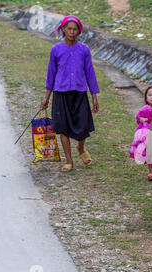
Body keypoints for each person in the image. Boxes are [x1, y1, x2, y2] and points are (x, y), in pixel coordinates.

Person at [40, 15, 100, 172]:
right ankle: (69, 161)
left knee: (83, 126)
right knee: (62, 127)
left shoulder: (84, 50)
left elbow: (90, 72)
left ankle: (81, 148)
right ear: (63, 30)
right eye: (69, 29)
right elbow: (51, 74)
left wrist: (94, 95)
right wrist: (46, 97)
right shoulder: (56, 49)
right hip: (61, 93)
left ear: (79, 31)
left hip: (79, 92)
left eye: (75, 29)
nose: (72, 32)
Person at [129, 86, 152, 181]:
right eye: (150, 95)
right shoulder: (144, 108)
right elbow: (138, 118)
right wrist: (140, 120)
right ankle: (151, 172)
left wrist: (147, 119)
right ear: (146, 97)